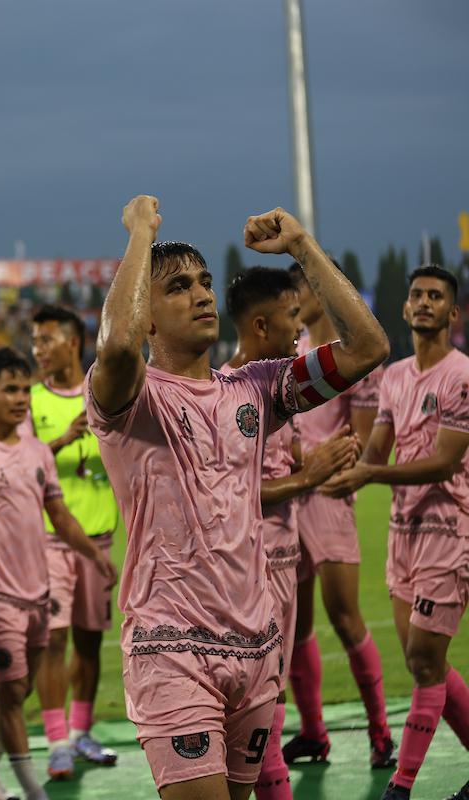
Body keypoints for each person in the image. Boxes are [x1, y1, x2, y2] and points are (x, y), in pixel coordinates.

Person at [86, 196, 387, 800]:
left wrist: (303, 246)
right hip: (170, 647)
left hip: (255, 646)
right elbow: (118, 346)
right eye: (176, 287)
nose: (200, 294)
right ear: (148, 316)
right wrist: (141, 234)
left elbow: (368, 347)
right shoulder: (130, 400)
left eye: (203, 282)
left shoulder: (256, 389)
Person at [0, 347, 114, 800]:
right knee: (13, 693)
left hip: (37, 594)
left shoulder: (39, 452)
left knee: (19, 689)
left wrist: (94, 555)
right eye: (8, 390)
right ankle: (31, 790)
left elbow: (60, 516)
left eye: (23, 389)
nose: (19, 399)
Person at [320, 265, 469, 800]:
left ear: (452, 314)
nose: (423, 302)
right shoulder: (395, 377)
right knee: (421, 659)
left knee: (424, 662)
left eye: (435, 296)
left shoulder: (461, 376)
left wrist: (369, 473)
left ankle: (400, 788)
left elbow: (444, 463)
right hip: (404, 533)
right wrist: (330, 461)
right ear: (405, 309)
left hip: (450, 533)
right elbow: (375, 451)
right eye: (416, 295)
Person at [219, 267, 360, 799]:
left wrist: (320, 461)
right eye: (292, 317)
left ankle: (332, 735)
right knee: (263, 706)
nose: (300, 328)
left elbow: (286, 461)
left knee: (272, 694)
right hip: (249, 570)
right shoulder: (227, 393)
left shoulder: (282, 388)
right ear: (260, 324)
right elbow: (236, 493)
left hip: (287, 556)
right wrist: (309, 477)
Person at [284, 262, 395, 768]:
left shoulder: (352, 358)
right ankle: (313, 733)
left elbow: (362, 443)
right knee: (294, 625)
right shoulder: (291, 352)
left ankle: (379, 733)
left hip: (327, 497)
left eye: (300, 287)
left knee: (345, 616)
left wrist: (310, 464)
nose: (294, 297)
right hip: (289, 498)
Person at [29, 304, 121, 775]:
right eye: (35, 342)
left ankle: (82, 733)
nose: (37, 350)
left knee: (88, 643)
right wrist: (63, 440)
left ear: (72, 342)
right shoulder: (31, 400)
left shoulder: (101, 391)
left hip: (99, 540)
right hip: (50, 542)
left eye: (45, 340)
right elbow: (18, 464)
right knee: (53, 640)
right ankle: (56, 741)